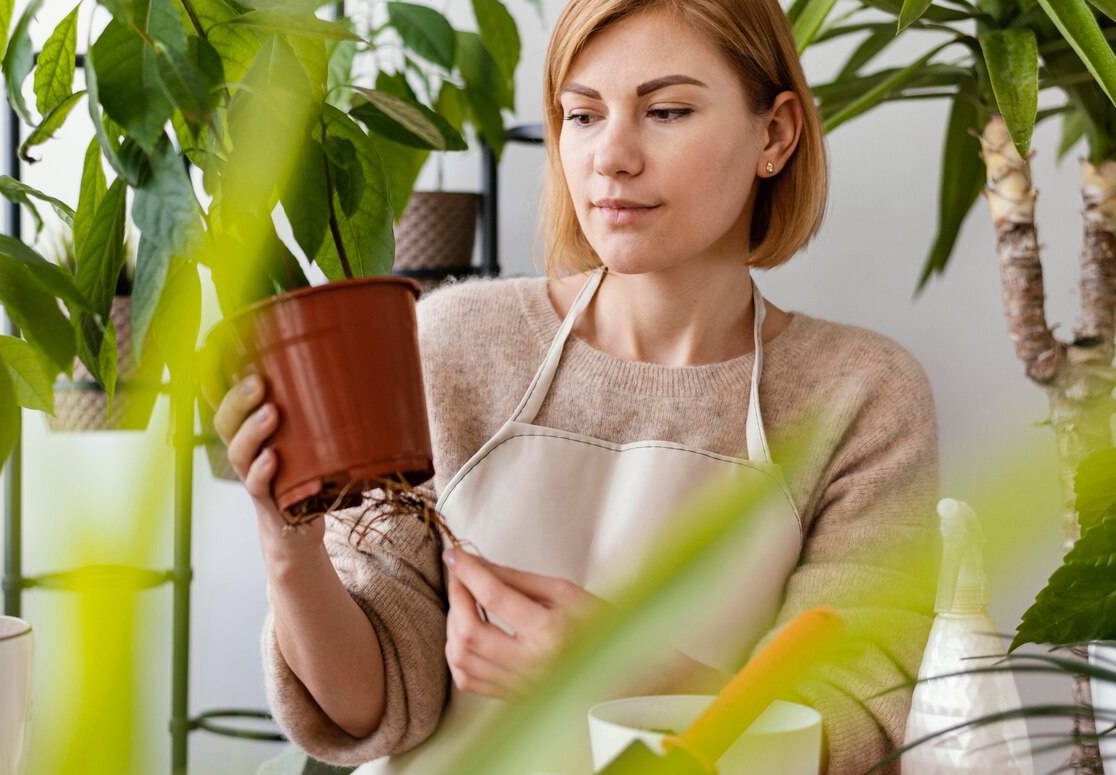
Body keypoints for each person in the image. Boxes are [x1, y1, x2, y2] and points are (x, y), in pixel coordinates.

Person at [207, 1, 940, 772]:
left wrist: (615, 669)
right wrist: (290, 552)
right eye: (582, 115)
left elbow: (848, 723)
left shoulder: (858, 394)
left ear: (776, 134)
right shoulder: (454, 340)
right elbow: (375, 704)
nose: (611, 156)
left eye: (666, 110)